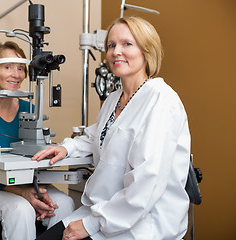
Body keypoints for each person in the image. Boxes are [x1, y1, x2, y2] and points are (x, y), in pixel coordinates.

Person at [32, 16, 191, 240]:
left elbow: (147, 182)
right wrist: (68, 148)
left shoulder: (161, 100)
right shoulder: (115, 98)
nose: (116, 51)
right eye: (111, 45)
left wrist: (92, 224)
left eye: (127, 44)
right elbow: (101, 133)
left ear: (146, 50)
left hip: (141, 223)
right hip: (103, 211)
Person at [0, 41, 74, 240]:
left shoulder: (29, 108)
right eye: (8, 67)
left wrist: (31, 189)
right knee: (20, 209)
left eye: (21, 68)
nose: (16, 74)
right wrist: (22, 193)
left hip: (25, 181)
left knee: (65, 204)